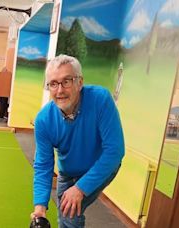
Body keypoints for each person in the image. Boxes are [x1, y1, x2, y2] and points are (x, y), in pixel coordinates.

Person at [31, 55, 124, 228]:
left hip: (102, 165)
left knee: (69, 213)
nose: (59, 90)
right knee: (65, 216)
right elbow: (43, 165)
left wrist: (80, 188)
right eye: (53, 83)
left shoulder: (101, 100)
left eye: (66, 81)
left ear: (79, 83)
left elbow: (115, 151)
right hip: (68, 172)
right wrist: (40, 208)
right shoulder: (44, 120)